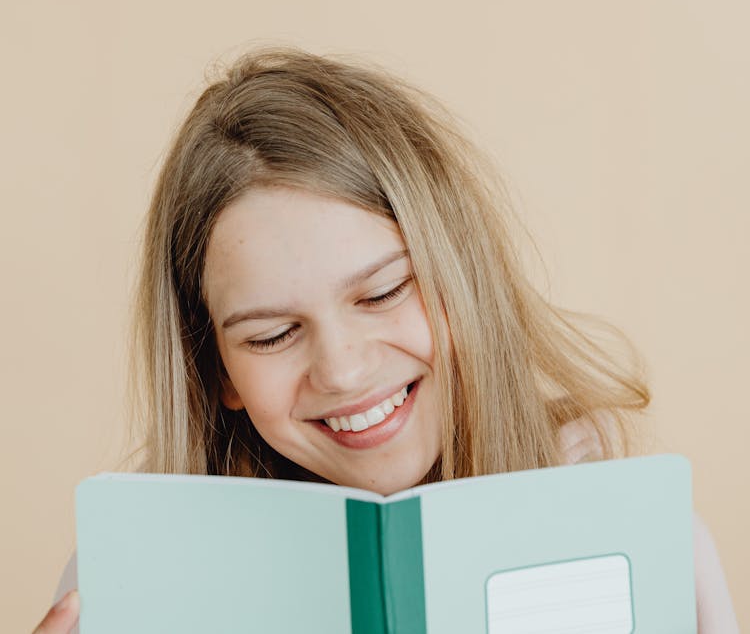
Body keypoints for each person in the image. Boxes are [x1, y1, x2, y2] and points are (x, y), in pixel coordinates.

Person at [32, 47, 739, 632]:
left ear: (463, 281)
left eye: (382, 293)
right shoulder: (113, 588)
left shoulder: (653, 550)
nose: (341, 370)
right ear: (215, 369)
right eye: (274, 335)